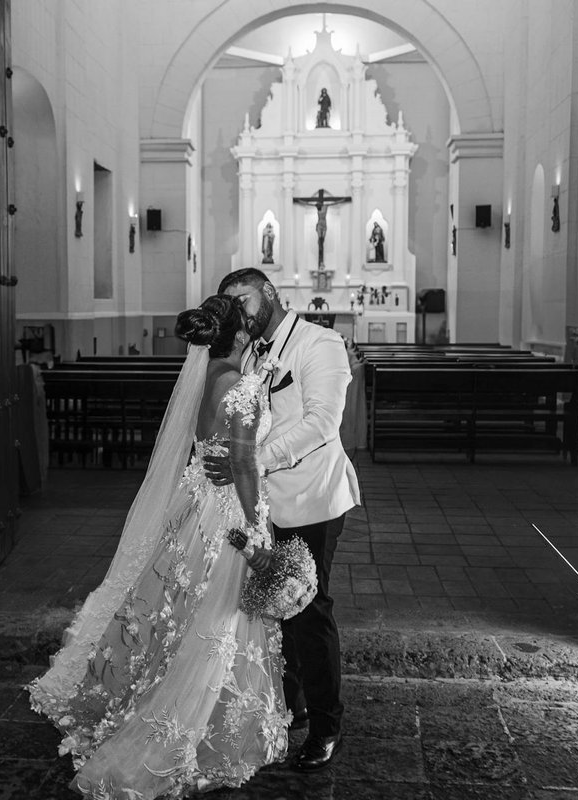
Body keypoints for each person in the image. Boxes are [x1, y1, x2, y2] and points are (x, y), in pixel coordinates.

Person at [28, 295, 290, 799]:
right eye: (248, 324)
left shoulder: (207, 376)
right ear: (240, 335)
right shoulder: (243, 386)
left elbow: (211, 448)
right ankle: (192, 721)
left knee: (184, 611)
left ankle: (180, 699)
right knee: (218, 618)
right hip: (228, 513)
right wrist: (258, 530)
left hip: (196, 505)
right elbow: (242, 463)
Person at [207, 267, 361, 773]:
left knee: (308, 608)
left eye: (244, 300)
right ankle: (293, 703)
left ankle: (326, 726)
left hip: (312, 496)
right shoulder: (250, 352)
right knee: (276, 607)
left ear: (269, 293)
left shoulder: (320, 343)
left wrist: (254, 461)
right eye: (231, 304)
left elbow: (323, 423)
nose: (240, 312)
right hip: (262, 503)